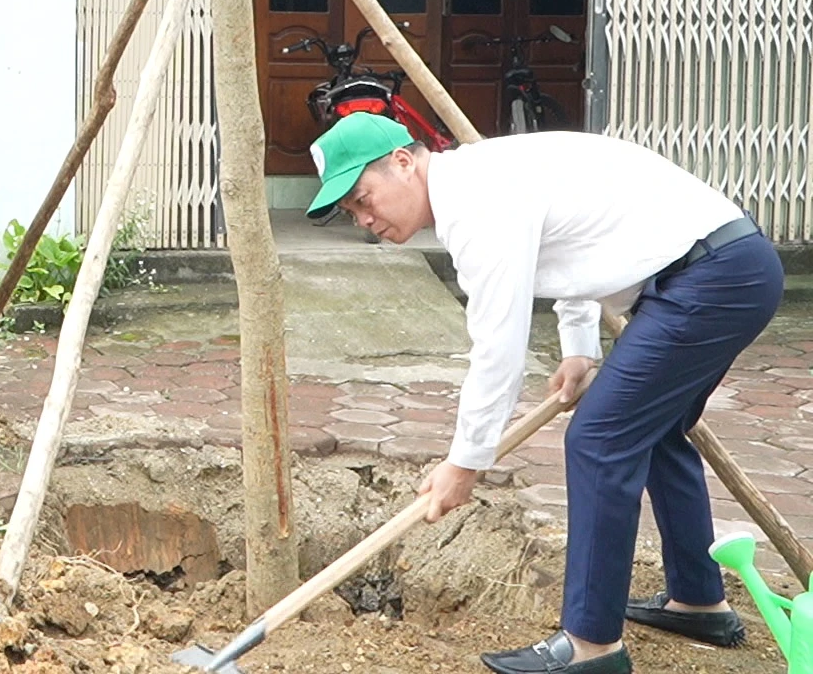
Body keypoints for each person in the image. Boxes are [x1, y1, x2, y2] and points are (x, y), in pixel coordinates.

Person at [306, 113, 781, 674]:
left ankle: (590, 646)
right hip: (726, 269)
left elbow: (498, 349)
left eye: (364, 199)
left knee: (600, 439)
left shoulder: (476, 203)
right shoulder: (484, 177)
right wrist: (580, 347)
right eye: (353, 213)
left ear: (404, 163)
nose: (365, 220)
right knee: (651, 431)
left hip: (711, 278)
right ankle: (699, 600)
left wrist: (466, 460)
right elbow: (573, 245)